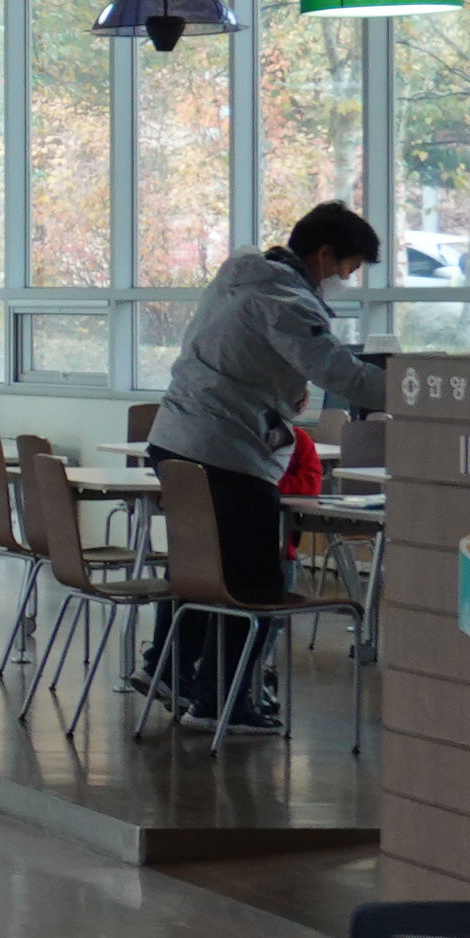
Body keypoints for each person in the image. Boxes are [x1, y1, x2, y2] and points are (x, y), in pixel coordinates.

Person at [143, 201, 387, 724]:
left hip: (175, 438)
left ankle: (169, 669)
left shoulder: (240, 278)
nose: (346, 280)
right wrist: (417, 389)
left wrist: (281, 392)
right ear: (324, 254)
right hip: (224, 451)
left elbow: (243, 358)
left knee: (201, 567)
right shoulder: (285, 299)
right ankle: (224, 700)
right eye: (348, 268)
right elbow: (338, 371)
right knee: (254, 581)